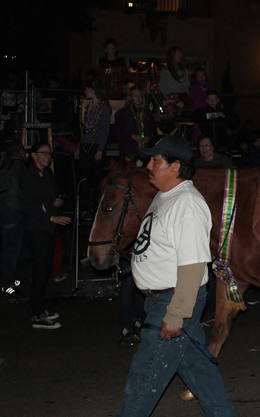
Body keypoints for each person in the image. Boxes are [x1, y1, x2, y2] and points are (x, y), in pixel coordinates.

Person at [116, 135, 236, 416]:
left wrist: (176, 313)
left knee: (143, 377)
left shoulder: (187, 204)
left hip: (173, 301)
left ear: (175, 166)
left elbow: (194, 265)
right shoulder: (165, 196)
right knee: (199, 373)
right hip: (160, 300)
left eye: (155, 160)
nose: (148, 165)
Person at [21, 142, 71, 329]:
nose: (47, 156)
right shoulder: (29, 175)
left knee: (45, 271)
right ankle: (37, 315)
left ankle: (40, 308)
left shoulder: (47, 174)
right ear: (33, 155)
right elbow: (28, 206)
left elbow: (49, 198)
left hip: (47, 228)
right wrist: (51, 217)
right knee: (40, 272)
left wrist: (57, 203)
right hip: (37, 229)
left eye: (49, 153)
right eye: (43, 153)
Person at [0, 142, 26, 295]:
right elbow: (18, 191)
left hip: (3, 211)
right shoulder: (18, 166)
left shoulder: (4, 167)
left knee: (8, 248)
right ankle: (8, 284)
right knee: (13, 250)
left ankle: (10, 280)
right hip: (13, 211)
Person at [75, 79, 111, 221]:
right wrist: (79, 146)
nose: (85, 92)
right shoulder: (89, 106)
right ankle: (83, 208)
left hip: (96, 147)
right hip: (86, 145)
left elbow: (104, 130)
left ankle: (94, 208)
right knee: (84, 178)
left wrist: (100, 149)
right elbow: (84, 130)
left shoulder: (104, 107)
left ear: (91, 90)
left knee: (95, 180)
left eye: (86, 90)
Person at [111, 86, 156, 163]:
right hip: (129, 150)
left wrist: (148, 137)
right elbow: (117, 132)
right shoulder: (123, 113)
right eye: (135, 96)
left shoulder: (147, 114)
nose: (138, 98)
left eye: (140, 96)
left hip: (145, 151)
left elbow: (152, 131)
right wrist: (132, 136)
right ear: (131, 97)